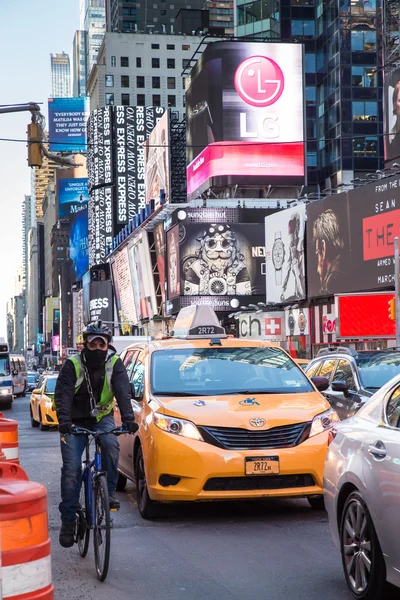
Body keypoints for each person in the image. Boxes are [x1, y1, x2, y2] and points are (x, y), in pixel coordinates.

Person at [54, 321, 137, 549]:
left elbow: (122, 391)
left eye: (102, 344)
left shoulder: (114, 363)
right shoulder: (72, 365)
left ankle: (108, 492)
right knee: (72, 469)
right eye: (93, 344)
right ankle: (68, 520)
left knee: (111, 444)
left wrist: (129, 420)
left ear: (108, 345)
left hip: (102, 419)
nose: (98, 348)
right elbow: (63, 395)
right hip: (73, 421)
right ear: (85, 345)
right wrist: (64, 422)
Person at [312, 208, 346, 294]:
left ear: (323, 248)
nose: (317, 269)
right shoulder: (343, 269)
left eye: (318, 253)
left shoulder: (333, 282)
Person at [281, 212, 305, 301]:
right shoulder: (292, 245)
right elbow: (287, 266)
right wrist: (283, 289)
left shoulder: (302, 242)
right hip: (299, 292)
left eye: (298, 224)